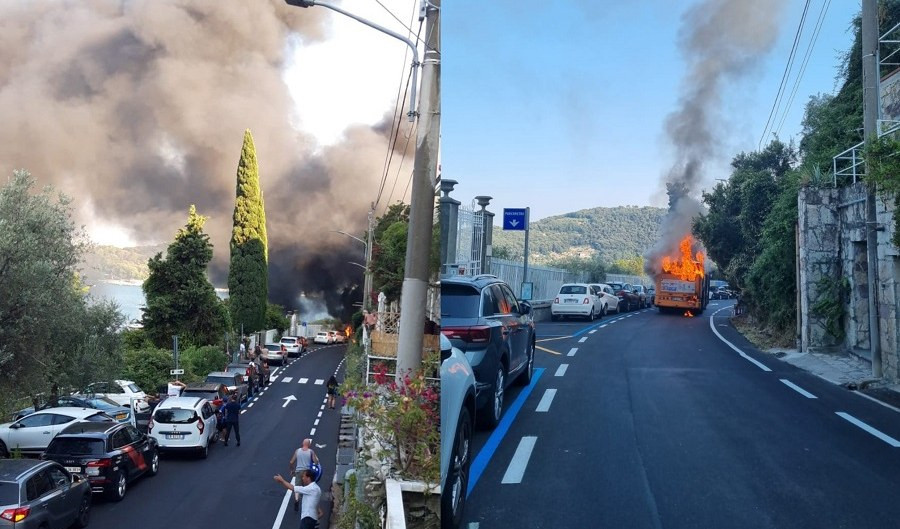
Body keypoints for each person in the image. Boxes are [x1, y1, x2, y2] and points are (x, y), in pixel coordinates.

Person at [289, 439, 319, 511]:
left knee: (297, 487)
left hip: (298, 471)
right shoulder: (311, 451)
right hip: (307, 473)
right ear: (309, 444)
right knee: (308, 488)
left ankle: (296, 500)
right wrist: (315, 458)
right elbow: (316, 462)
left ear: (302, 443)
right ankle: (308, 503)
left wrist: (292, 470)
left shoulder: (297, 451)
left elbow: (291, 462)